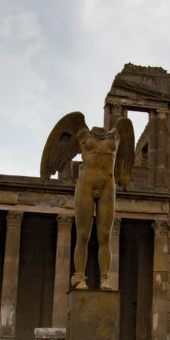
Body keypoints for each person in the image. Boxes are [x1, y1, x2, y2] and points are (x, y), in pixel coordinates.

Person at [41, 113, 134, 290]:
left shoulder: (119, 133)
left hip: (108, 184)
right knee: (83, 234)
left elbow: (125, 158)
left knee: (104, 236)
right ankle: (79, 276)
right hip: (85, 184)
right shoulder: (82, 132)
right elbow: (59, 144)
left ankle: (105, 278)